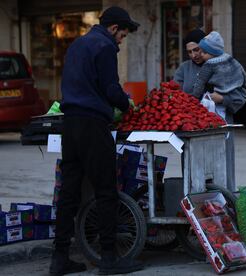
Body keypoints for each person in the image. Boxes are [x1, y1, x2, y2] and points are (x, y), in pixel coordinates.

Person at [50, 6, 143, 276]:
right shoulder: (104, 47)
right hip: (93, 125)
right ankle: (109, 258)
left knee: (69, 193)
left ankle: (59, 259)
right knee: (106, 191)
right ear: (114, 28)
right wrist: (127, 105)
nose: (121, 41)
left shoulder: (78, 44)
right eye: (123, 35)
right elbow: (111, 89)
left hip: (70, 125)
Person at [174, 30, 246, 192]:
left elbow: (241, 96)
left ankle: (224, 205)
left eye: (197, 50)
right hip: (191, 128)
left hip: (220, 126)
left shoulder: (225, 66)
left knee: (221, 167)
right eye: (189, 52)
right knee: (193, 168)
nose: (194, 55)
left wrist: (222, 99)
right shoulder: (184, 69)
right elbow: (174, 95)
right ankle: (193, 208)